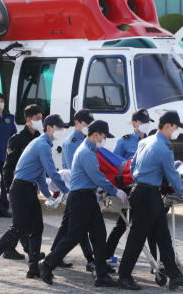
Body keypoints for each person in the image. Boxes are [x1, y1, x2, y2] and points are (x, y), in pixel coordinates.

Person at [39, 120, 128, 288]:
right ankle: (47, 263)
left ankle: (101, 275)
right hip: (81, 199)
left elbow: (95, 177)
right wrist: (115, 190)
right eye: (104, 136)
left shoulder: (89, 150)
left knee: (99, 236)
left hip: (87, 197)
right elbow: (96, 176)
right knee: (73, 236)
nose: (105, 140)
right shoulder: (86, 152)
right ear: (95, 135)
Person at [0, 114, 70, 279]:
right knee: (18, 228)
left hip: (27, 189)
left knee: (37, 228)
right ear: (49, 128)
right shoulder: (42, 145)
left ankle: (33, 267)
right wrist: (66, 190)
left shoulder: (43, 143)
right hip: (21, 189)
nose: (61, 131)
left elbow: (41, 174)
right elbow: (52, 172)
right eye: (59, 127)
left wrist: (48, 196)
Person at [116, 111, 183, 291]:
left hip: (142, 191)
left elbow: (133, 165)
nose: (177, 131)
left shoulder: (145, 141)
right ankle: (124, 276)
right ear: (168, 126)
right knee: (137, 237)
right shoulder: (164, 148)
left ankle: (174, 276)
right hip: (148, 195)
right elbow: (172, 175)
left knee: (163, 237)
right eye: (176, 127)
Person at [106, 109, 158, 268]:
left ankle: (155, 261)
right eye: (143, 122)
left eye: (148, 122)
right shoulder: (124, 141)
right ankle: (106, 256)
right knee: (122, 224)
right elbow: (115, 166)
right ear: (134, 123)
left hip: (148, 188)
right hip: (129, 189)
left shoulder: (152, 141)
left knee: (152, 225)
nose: (146, 125)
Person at [50, 109, 95, 271]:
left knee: (69, 225)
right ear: (77, 123)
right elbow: (72, 170)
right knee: (77, 226)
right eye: (86, 123)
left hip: (80, 189)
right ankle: (90, 258)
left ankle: (55, 255)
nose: (88, 126)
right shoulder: (72, 142)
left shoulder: (85, 140)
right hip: (74, 189)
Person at [0, 104, 44, 261]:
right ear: (28, 119)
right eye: (37, 118)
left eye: (41, 118)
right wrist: (7, 189)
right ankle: (26, 249)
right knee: (21, 221)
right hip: (17, 185)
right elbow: (8, 167)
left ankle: (14, 249)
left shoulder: (39, 138)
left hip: (31, 185)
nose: (40, 121)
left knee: (23, 219)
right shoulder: (17, 139)